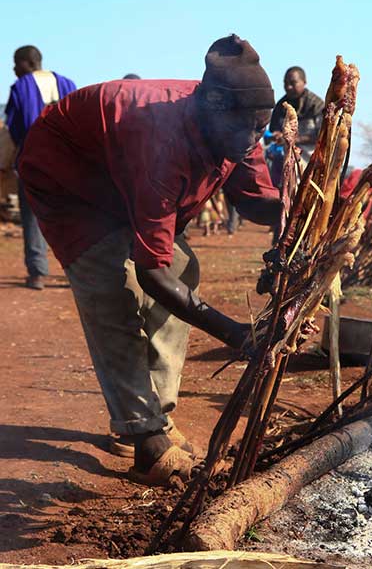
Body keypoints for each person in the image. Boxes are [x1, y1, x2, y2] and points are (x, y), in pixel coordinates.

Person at [18, 35, 281, 485]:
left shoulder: (239, 126)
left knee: (184, 270)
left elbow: (258, 201)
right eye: (249, 128)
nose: (253, 139)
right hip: (70, 180)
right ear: (214, 107)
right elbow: (151, 272)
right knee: (112, 290)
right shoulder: (162, 142)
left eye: (262, 128)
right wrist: (234, 332)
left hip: (121, 181)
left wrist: (304, 211)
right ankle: (144, 437)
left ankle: (154, 412)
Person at [5, 45, 76, 289]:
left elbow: (14, 127)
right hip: (67, 163)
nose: (14, 68)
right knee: (70, 216)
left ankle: (38, 273)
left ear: (27, 62)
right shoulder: (67, 84)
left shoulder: (21, 87)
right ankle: (75, 271)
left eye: (16, 62)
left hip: (33, 162)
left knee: (32, 216)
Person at [265, 66, 325, 186]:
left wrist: (294, 140)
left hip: (310, 155)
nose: (288, 87)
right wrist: (276, 135)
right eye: (286, 83)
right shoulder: (281, 106)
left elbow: (323, 136)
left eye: (293, 83)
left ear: (304, 82)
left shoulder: (316, 105)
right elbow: (273, 130)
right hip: (284, 155)